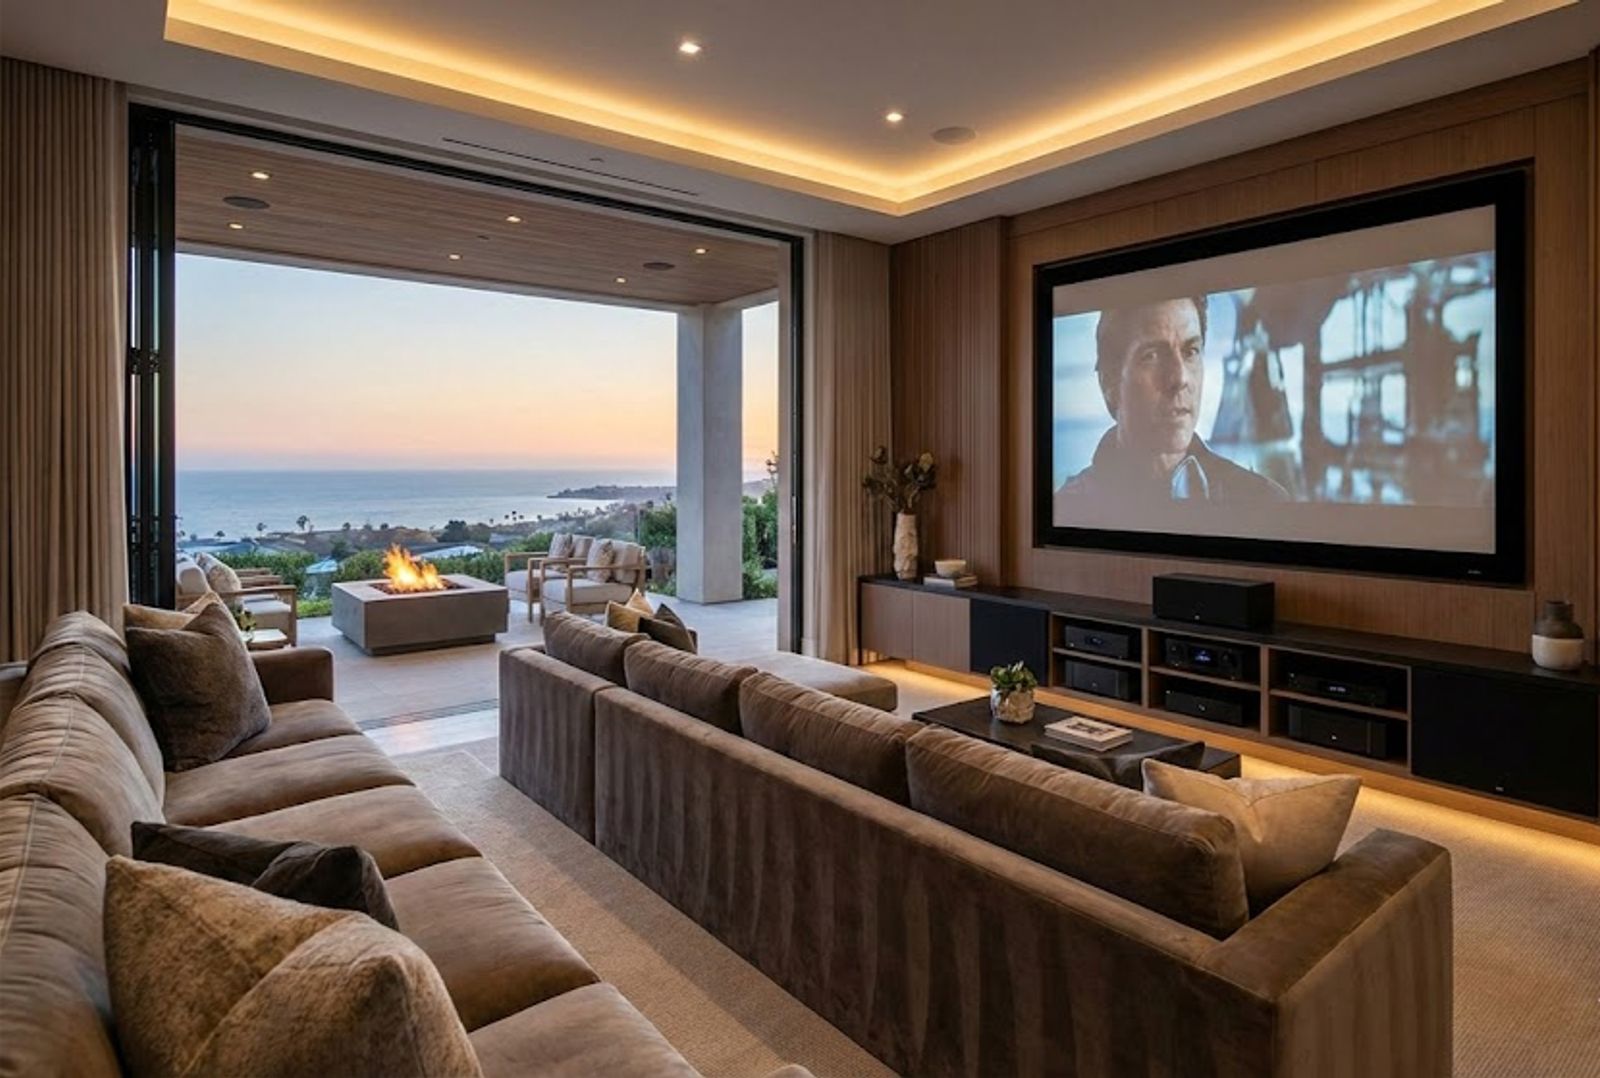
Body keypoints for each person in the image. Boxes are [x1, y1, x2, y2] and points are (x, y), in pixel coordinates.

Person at [1055, 296, 1287, 518]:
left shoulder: (1264, 502)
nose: (1180, 378)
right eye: (1152, 356)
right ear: (1109, 382)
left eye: (1190, 352)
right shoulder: (1066, 509)